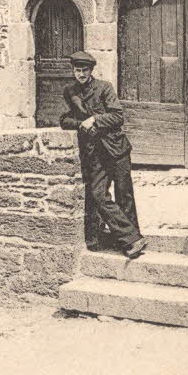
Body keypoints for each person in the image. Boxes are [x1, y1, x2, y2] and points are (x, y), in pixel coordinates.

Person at [59, 51, 147, 258]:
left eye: (84, 70)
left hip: (117, 149)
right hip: (96, 153)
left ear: (91, 70)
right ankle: (132, 238)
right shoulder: (70, 91)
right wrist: (80, 123)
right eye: (77, 70)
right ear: (73, 71)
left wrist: (95, 120)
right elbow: (64, 120)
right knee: (98, 196)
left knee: (124, 195)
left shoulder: (104, 87)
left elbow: (118, 116)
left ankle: (128, 242)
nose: (81, 74)